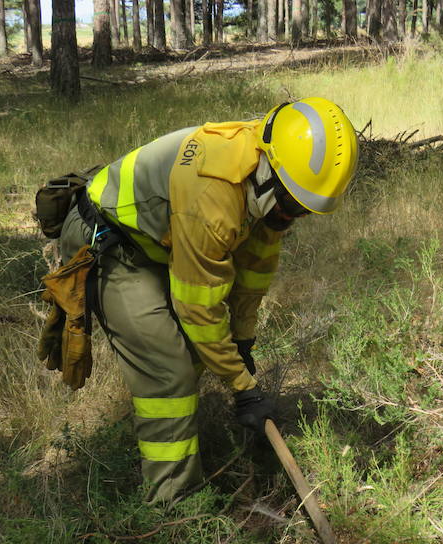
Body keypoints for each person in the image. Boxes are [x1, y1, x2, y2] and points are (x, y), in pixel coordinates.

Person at [50, 98, 358, 504]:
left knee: (196, 353)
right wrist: (243, 387)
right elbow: (197, 307)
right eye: (291, 204)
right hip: (111, 243)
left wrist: (242, 343)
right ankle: (174, 506)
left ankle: (175, 455)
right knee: (168, 371)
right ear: (269, 171)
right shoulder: (214, 194)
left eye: (304, 210)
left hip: (159, 241)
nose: (292, 216)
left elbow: (254, 272)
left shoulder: (266, 176)